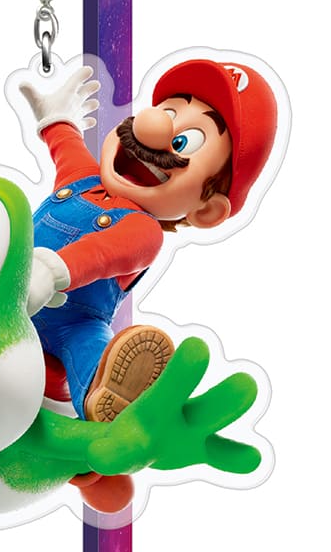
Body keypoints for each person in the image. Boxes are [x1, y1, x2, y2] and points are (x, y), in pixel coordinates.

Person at [21, 57, 277, 510]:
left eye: (184, 141)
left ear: (206, 210)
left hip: (71, 323)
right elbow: (66, 146)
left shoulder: (144, 230)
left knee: (96, 363)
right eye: (166, 111)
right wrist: (56, 118)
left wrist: (53, 270)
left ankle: (112, 433)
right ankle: (97, 453)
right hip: (6, 291)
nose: (152, 130)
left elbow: (104, 252)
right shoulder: (81, 179)